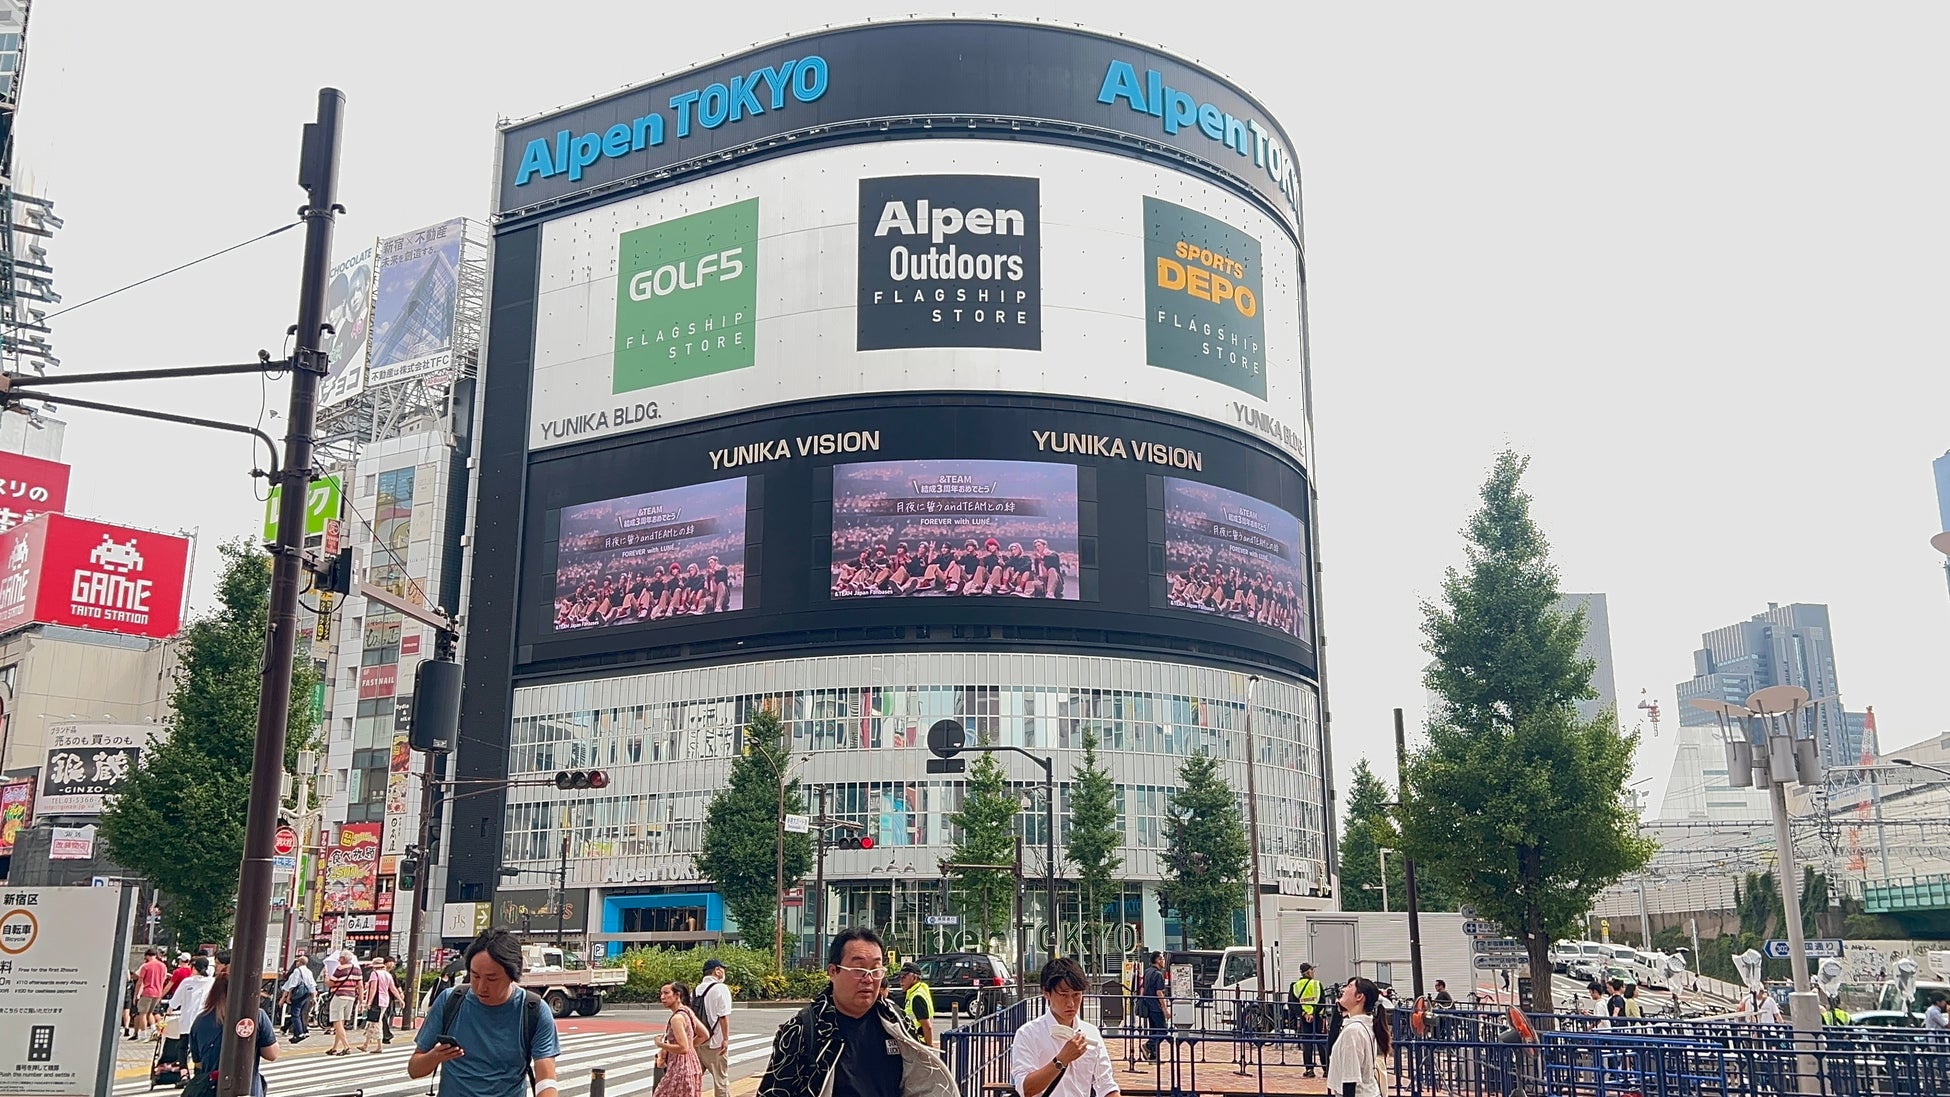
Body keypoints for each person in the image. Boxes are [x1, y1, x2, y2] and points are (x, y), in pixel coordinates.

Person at [755, 926, 953, 1097]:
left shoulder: (897, 1021)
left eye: (876, 970)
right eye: (859, 970)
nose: (868, 979)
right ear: (833, 971)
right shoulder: (803, 1030)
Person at [410, 927, 561, 1097]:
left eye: (492, 979)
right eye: (475, 976)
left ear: (513, 975)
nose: (481, 987)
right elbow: (414, 1069)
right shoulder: (450, 1000)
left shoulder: (534, 1010)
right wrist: (435, 1056)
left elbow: (546, 1079)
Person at [1010, 958, 1120, 1097]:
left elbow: (1106, 1085)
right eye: (1063, 995)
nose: (1071, 1003)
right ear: (1046, 993)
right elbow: (1026, 1089)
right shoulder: (1028, 1034)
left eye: (1076, 995)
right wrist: (1062, 1059)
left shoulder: (1091, 1033)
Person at [188, 969, 280, 1096]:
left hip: (211, 1090)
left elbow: (199, 1063)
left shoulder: (201, 1020)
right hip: (249, 1088)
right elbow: (272, 1054)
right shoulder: (256, 1016)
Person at [1326, 977, 1391, 1097]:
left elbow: (1350, 1080)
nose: (1344, 989)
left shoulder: (1353, 1031)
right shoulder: (1363, 1025)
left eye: (1349, 986)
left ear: (1359, 996)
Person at [654, 981, 708, 1097]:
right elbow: (704, 1035)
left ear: (677, 995)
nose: (662, 997)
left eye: (666, 993)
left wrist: (661, 1044)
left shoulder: (677, 1018)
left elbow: (683, 1048)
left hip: (680, 1068)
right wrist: (690, 1045)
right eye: (661, 993)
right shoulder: (687, 1011)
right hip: (692, 1064)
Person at [695, 958, 734, 1097]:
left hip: (698, 1042)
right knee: (720, 1080)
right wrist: (726, 1039)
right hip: (716, 1043)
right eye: (723, 969)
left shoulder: (697, 989)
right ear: (717, 971)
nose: (724, 972)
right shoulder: (721, 988)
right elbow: (723, 1016)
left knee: (695, 1079)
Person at [325, 950, 362, 1055]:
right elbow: (360, 985)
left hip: (339, 996)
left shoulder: (340, 969)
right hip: (351, 997)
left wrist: (326, 977)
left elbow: (331, 983)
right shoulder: (357, 969)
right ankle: (335, 1047)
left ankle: (346, 1046)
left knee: (337, 1021)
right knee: (341, 1023)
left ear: (343, 959)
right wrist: (361, 1000)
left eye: (340, 958)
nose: (338, 960)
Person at [1291, 962, 1324, 1076]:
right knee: (1321, 1042)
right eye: (1312, 971)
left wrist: (1304, 1014)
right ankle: (1326, 1069)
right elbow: (1322, 1002)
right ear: (1308, 972)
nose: (1313, 973)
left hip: (1304, 1019)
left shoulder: (1295, 986)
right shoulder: (1317, 984)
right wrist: (1313, 1013)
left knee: (1307, 1043)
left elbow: (1292, 1003)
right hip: (1317, 1017)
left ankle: (1309, 1070)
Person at [361, 955, 400, 1052]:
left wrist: (368, 1002)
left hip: (376, 1001)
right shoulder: (388, 974)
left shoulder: (375, 974)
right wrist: (400, 999)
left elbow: (373, 989)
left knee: (377, 1022)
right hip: (385, 1000)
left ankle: (379, 1046)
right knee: (372, 1022)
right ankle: (365, 1045)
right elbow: (393, 988)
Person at [279, 949, 317, 1041]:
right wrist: (314, 997)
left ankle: (300, 1033)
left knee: (295, 1014)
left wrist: (286, 997)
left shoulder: (297, 971)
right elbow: (312, 985)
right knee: (300, 1013)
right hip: (306, 994)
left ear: (299, 962)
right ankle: (297, 1032)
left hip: (298, 995)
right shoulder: (309, 972)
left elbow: (292, 985)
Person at [897, 961, 935, 1047]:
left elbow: (927, 1026)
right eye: (900, 977)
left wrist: (929, 1048)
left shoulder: (916, 997)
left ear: (914, 978)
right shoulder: (917, 991)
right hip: (917, 1042)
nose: (901, 981)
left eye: (904, 977)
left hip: (918, 1043)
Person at [135, 948, 170, 1040]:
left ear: (147, 956)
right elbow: (163, 979)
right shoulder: (163, 966)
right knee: (152, 1013)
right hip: (158, 992)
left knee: (142, 1013)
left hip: (147, 991)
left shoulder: (145, 966)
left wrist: (136, 994)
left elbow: (140, 981)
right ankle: (155, 1030)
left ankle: (143, 1035)